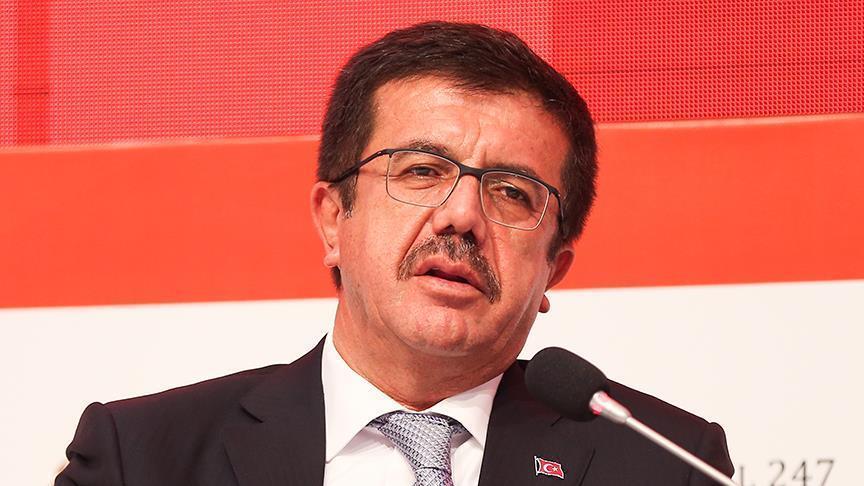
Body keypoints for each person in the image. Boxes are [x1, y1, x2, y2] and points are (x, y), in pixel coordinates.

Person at [56, 22, 733, 486]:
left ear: (553, 269)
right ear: (333, 219)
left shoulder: (666, 465)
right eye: (421, 171)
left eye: (512, 192)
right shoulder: (143, 458)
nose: (462, 216)